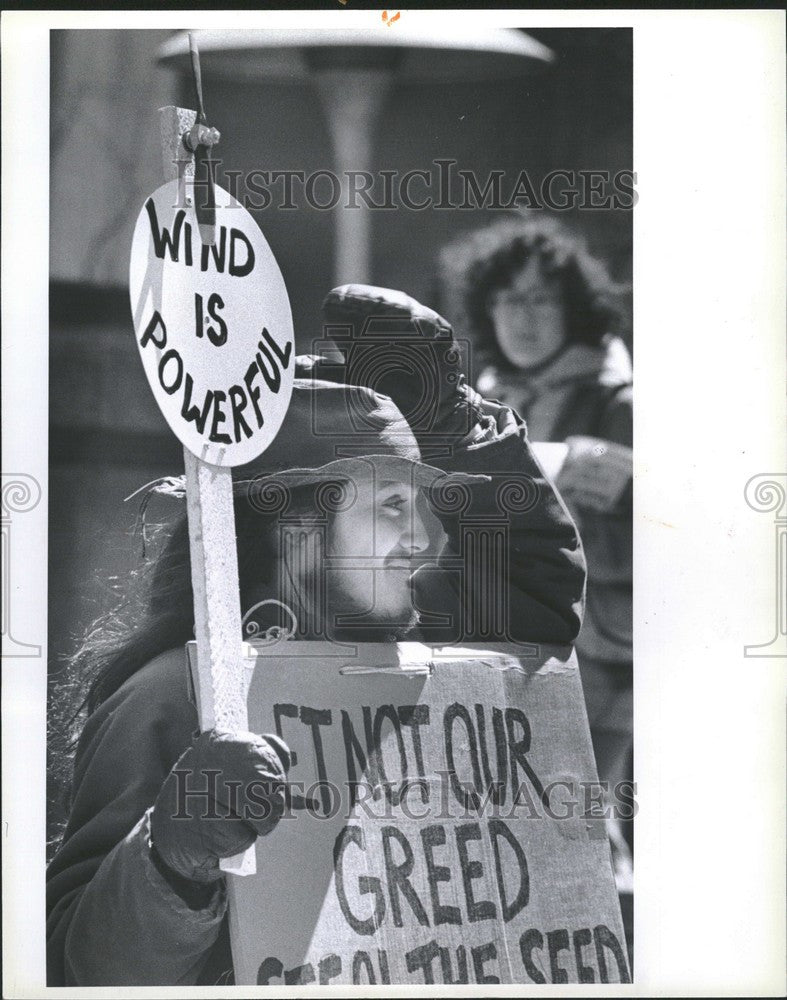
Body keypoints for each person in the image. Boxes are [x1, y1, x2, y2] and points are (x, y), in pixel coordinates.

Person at [46, 285, 586, 986]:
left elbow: (533, 618)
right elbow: (79, 968)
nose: (426, 538)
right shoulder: (170, 701)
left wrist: (455, 419)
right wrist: (170, 858)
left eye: (424, 505)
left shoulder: (401, 660)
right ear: (295, 534)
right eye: (393, 506)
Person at [442, 218, 634, 890]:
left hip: (598, 653)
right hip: (498, 636)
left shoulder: (618, 401)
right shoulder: (483, 402)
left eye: (539, 299)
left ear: (572, 308)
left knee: (572, 811)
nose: (522, 318)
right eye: (507, 300)